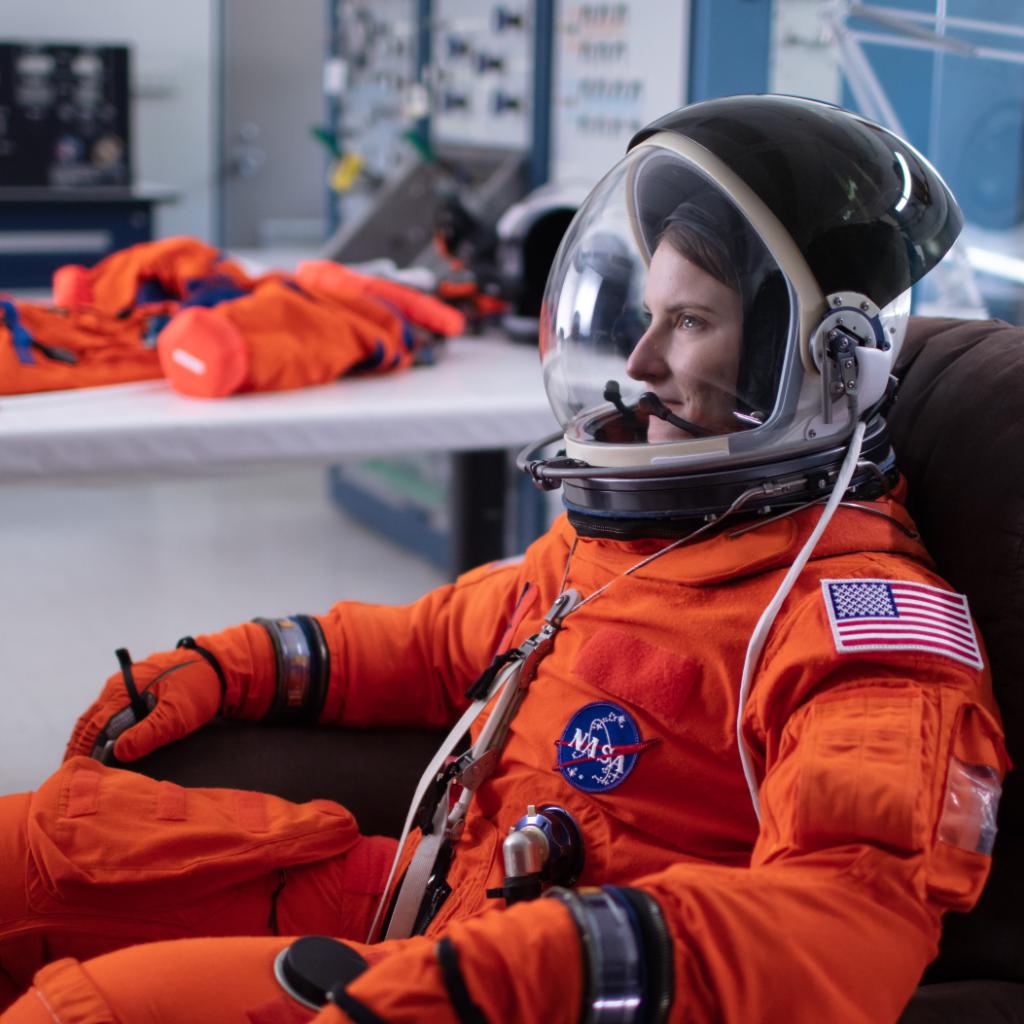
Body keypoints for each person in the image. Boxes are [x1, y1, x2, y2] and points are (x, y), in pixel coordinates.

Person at [0, 95, 1008, 1024]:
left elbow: (843, 917)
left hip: (527, 985)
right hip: (434, 899)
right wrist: (232, 666)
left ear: (818, 360)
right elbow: (434, 643)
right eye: (649, 317)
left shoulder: (861, 633)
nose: (641, 363)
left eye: (691, 322)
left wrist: (507, 976)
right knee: (33, 856)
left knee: (79, 1013)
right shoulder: (627, 547)